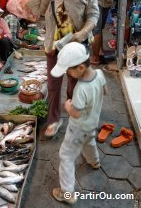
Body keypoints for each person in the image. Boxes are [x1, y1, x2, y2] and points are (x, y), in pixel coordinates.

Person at [26, 0, 99, 137]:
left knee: (75, 84)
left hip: (77, 46)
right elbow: (37, 12)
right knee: (53, 84)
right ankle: (54, 119)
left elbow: (93, 15)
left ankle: (75, 115)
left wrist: (83, 32)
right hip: (54, 44)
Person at [50, 42, 106, 205]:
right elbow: (105, 91)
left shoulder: (80, 89)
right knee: (89, 141)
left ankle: (67, 193)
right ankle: (94, 161)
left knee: (66, 156)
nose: (68, 73)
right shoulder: (100, 74)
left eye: (68, 70)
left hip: (77, 128)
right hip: (92, 124)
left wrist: (68, 106)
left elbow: (76, 112)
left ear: (81, 67)